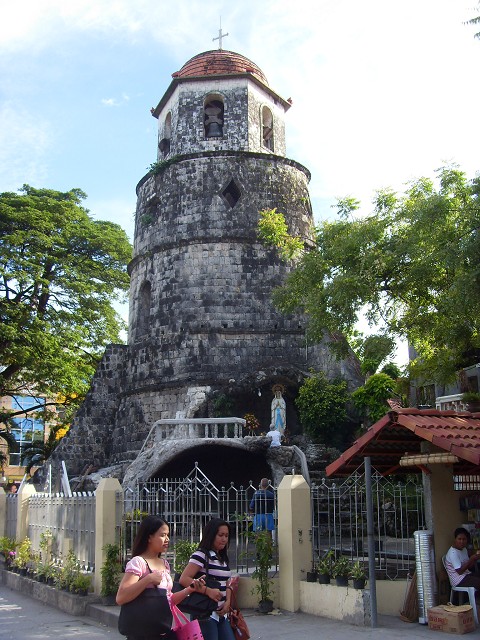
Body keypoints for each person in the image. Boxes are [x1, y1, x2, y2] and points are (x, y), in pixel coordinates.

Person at [116, 515, 206, 640]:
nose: (167, 539)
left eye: (168, 535)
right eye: (162, 535)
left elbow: (168, 601)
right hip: (141, 634)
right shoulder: (138, 562)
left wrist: (189, 590)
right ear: (149, 537)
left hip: (162, 632)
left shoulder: (165, 564)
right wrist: (148, 579)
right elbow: (121, 597)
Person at [179, 518, 235, 640]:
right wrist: (207, 591)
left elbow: (227, 582)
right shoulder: (201, 555)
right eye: (220, 535)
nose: (224, 539)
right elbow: (184, 579)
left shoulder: (221, 557)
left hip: (221, 614)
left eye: (226, 536)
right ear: (211, 535)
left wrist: (228, 602)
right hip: (204, 614)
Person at [444, 527, 480, 595]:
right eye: (459, 539)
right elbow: (460, 571)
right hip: (458, 580)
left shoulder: (464, 549)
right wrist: (471, 559)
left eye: (464, 539)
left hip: (466, 575)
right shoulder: (453, 553)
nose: (462, 542)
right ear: (455, 539)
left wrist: (474, 559)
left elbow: (468, 567)